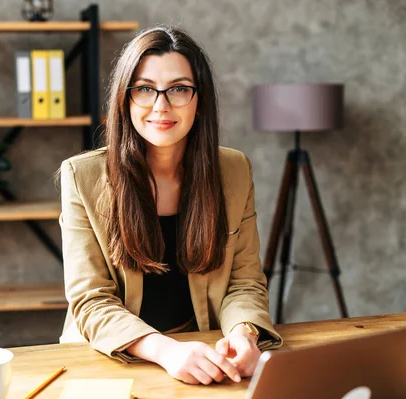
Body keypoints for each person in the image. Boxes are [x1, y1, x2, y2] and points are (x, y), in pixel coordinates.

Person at [58, 26, 282, 385]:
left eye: (178, 88)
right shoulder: (81, 176)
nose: (161, 105)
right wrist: (167, 351)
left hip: (203, 352)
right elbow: (91, 301)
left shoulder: (234, 170)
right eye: (145, 89)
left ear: (200, 99)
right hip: (112, 360)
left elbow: (244, 280)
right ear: (125, 98)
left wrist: (244, 334)